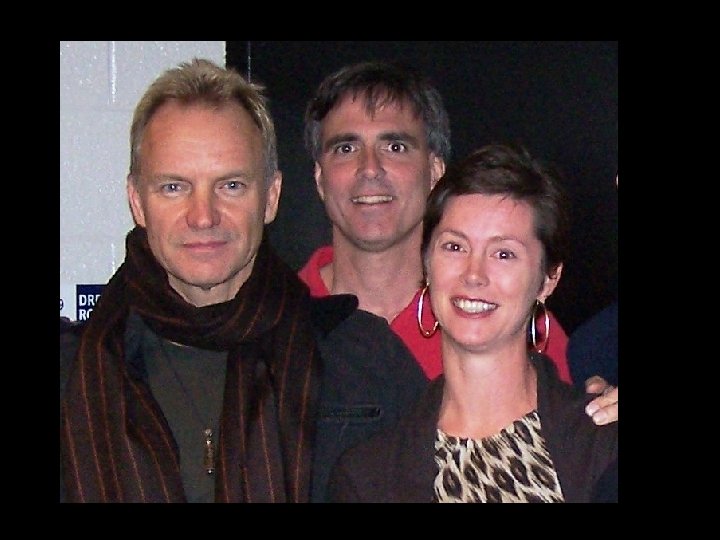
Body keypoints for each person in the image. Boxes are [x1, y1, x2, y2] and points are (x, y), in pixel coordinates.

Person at [59, 58, 360, 503]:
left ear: (271, 197)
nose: (203, 216)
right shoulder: (71, 374)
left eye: (231, 185)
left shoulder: (360, 360)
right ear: (137, 202)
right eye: (174, 187)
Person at [300, 60, 617, 419]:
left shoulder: (513, 323)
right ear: (320, 178)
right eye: (345, 148)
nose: (370, 168)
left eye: (395, 147)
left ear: (435, 170)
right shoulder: (279, 321)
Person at [328, 143, 618, 503]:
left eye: (504, 254)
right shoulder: (367, 476)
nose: (474, 274)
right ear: (426, 263)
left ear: (548, 279)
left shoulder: (602, 442)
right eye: (454, 247)